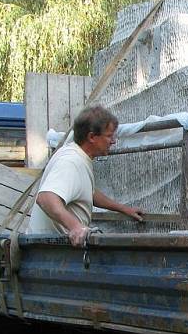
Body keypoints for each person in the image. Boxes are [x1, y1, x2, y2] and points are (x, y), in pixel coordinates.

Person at [28, 105, 143, 246]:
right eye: (108, 136)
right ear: (92, 137)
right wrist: (76, 227)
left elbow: (89, 192)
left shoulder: (78, 156)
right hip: (50, 253)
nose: (113, 141)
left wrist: (124, 209)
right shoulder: (71, 162)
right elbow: (45, 198)